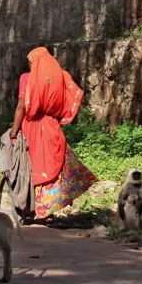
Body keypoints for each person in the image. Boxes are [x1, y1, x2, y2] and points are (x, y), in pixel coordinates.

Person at [10, 46, 96, 221]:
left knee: (33, 166)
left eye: (30, 62)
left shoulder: (27, 78)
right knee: (51, 165)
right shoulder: (59, 77)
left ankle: (32, 209)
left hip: (32, 126)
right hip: (52, 126)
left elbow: (21, 106)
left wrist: (14, 131)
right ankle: (47, 209)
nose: (29, 65)